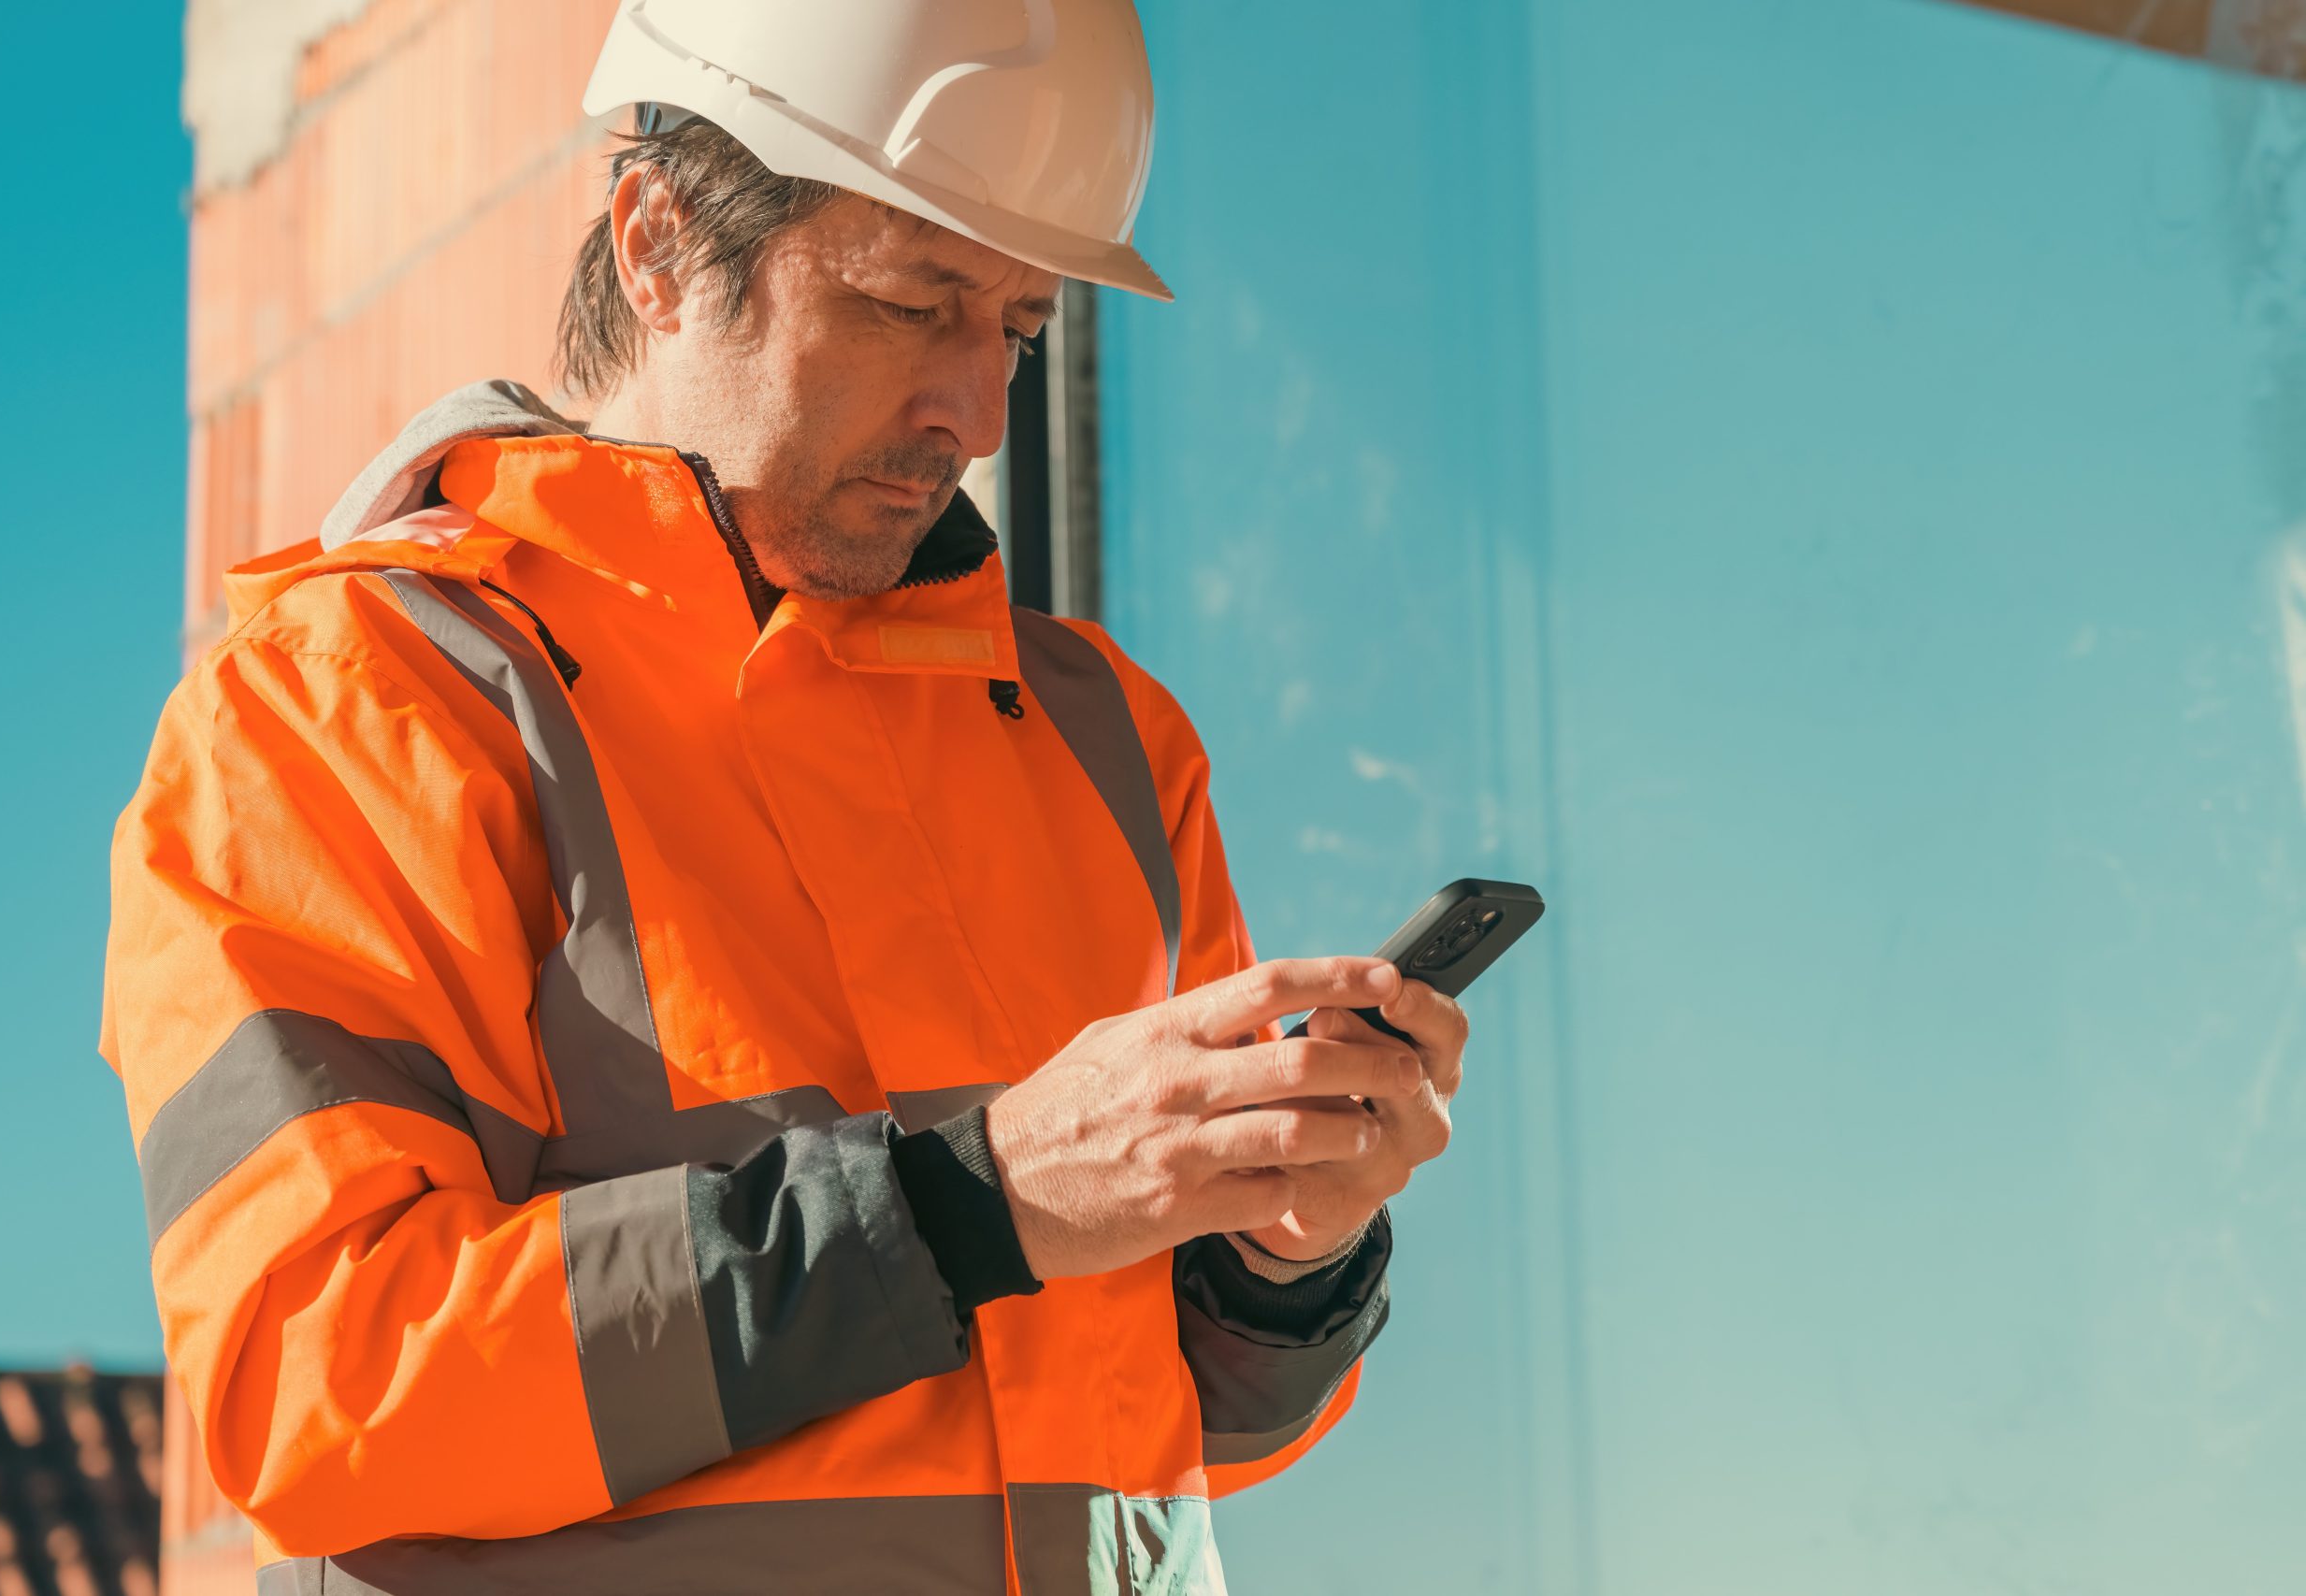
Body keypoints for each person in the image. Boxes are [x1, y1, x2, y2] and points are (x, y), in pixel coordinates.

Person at [102, 2, 1467, 1590]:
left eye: (1019, 329)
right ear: (659, 241)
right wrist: (984, 1201)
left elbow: (1176, 1418)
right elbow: (324, 1384)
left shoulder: (1107, 741)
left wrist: (1287, 1255)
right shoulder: (354, 703)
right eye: (909, 302)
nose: (979, 411)